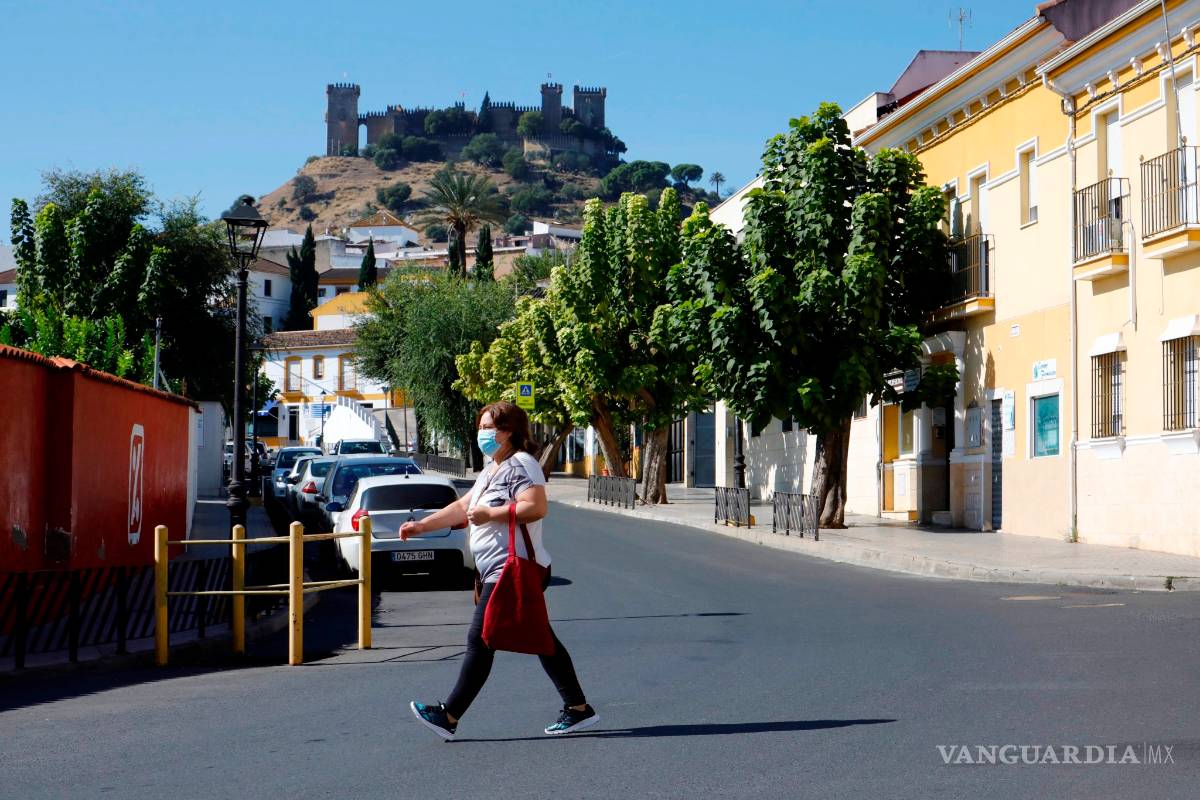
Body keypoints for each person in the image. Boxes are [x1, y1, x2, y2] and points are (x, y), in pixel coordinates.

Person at [403, 401, 598, 741]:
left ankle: (449, 715)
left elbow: (536, 507)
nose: (481, 434)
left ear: (507, 431)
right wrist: (421, 526)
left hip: (511, 568)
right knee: (541, 639)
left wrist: (491, 515)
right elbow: (463, 507)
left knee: (480, 639)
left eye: (487, 428)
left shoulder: (521, 464)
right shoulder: (492, 468)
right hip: (496, 569)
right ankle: (578, 708)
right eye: (480, 427)